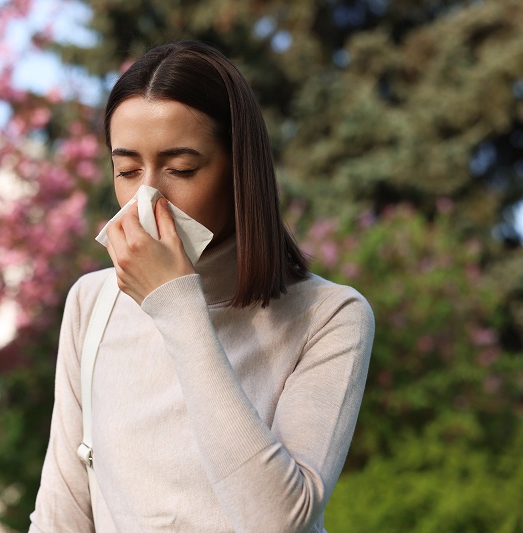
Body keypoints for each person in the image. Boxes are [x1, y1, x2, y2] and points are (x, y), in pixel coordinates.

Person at [29, 40, 374, 533]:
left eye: (181, 170)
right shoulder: (93, 303)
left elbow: (279, 521)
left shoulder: (329, 315)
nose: (147, 196)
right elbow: (61, 514)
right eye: (126, 170)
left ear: (239, 171)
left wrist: (176, 304)